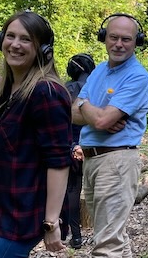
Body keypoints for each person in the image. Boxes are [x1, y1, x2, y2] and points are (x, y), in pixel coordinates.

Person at [0, 11, 72, 256]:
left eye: (26, 39)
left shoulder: (46, 92)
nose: (15, 45)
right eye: (10, 36)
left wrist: (51, 223)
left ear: (43, 49)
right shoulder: (5, 92)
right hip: (0, 210)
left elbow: (58, 161)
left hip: (22, 217)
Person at [72, 13, 148, 257]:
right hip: (93, 159)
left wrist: (86, 107)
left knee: (106, 246)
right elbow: (72, 114)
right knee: (114, 238)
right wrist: (94, 114)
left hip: (116, 162)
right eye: (113, 37)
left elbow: (97, 117)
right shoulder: (98, 71)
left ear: (136, 41)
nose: (119, 44)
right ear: (103, 38)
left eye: (126, 39)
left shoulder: (137, 76)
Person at [60, 53, 96, 249]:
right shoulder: (98, 87)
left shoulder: (67, 88)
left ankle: (73, 235)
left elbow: (60, 121)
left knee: (71, 190)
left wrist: (73, 145)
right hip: (96, 147)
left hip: (71, 147)